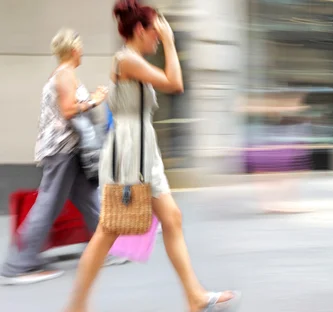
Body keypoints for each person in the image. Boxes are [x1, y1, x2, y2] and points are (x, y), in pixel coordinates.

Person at [65, 1, 240, 311]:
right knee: (108, 230)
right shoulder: (126, 60)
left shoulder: (131, 61)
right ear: (139, 30)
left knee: (172, 218)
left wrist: (166, 38)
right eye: (155, 32)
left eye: (162, 35)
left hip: (143, 151)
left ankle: (195, 296)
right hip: (131, 155)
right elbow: (175, 82)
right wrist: (172, 43)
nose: (158, 38)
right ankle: (76, 307)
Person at [0, 28, 128, 286]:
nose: (82, 52)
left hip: (71, 150)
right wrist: (95, 99)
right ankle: (17, 265)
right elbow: (69, 110)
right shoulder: (65, 74)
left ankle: (104, 249)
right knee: (48, 205)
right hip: (63, 151)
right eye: (80, 47)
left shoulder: (64, 74)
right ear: (74, 50)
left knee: (90, 199)